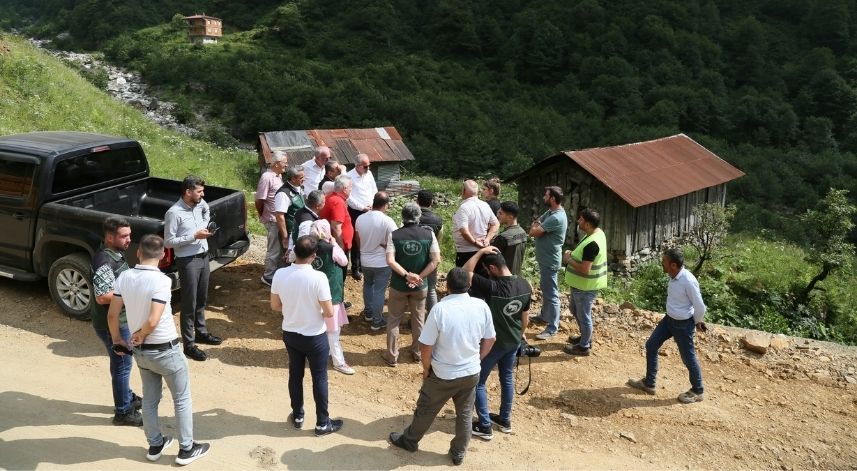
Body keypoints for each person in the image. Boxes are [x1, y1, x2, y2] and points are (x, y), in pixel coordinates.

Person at [108, 234, 210, 465]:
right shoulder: (162, 281)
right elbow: (153, 320)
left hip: (141, 353)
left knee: (150, 400)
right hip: (166, 350)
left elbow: (113, 315)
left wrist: (119, 340)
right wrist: (142, 334)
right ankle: (186, 449)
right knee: (181, 399)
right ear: (163, 255)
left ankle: (155, 444)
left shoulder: (124, 277)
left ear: (138, 253)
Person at [388, 268, 496, 466]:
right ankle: (458, 452)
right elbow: (490, 339)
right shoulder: (481, 306)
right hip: (471, 372)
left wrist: (426, 367)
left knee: (426, 409)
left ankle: (409, 441)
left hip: (443, 373)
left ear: (447, 286)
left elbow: (426, 345)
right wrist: (477, 359)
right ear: (469, 285)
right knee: (465, 414)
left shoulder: (440, 309)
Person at [271, 235, 344, 435]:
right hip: (315, 337)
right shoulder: (318, 278)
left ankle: (297, 415)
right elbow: (329, 312)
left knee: (295, 374)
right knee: (319, 377)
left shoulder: (280, 274)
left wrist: (294, 309)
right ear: (314, 256)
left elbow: (275, 306)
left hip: (291, 333)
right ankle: (322, 423)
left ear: (294, 251)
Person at [462, 247, 531, 440]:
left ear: (492, 268)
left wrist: (479, 252)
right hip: (513, 341)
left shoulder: (493, 287)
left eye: (486, 269)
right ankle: (504, 419)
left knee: (478, 382)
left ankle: (484, 426)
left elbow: (464, 273)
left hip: (493, 343)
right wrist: (520, 335)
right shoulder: (525, 285)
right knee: (506, 378)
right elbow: (525, 318)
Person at [627, 248, 707, 404]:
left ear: (673, 265)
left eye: (664, 261)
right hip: (668, 320)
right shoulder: (673, 276)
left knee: (688, 358)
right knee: (651, 345)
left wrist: (698, 321)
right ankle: (649, 383)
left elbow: (700, 306)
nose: (661, 263)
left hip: (683, 325)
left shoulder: (688, 280)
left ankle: (698, 391)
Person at [90, 216, 142, 426]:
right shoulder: (104, 260)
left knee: (120, 363)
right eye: (124, 236)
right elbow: (103, 296)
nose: (129, 239)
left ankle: (126, 396)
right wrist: (133, 292)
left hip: (119, 320)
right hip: (112, 324)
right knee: (122, 365)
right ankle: (123, 412)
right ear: (110, 238)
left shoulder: (115, 253)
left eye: (129, 235)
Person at [164, 175, 222, 362]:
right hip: (188, 261)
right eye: (199, 191)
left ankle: (201, 332)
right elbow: (168, 242)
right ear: (188, 192)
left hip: (204, 257)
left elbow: (206, 209)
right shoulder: (174, 213)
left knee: (202, 298)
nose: (203, 195)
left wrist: (205, 226)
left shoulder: (200, 204)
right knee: (189, 302)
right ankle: (189, 344)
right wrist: (194, 236)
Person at [383, 203, 441, 366]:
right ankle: (417, 353)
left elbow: (390, 260)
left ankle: (392, 356)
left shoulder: (394, 235)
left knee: (394, 320)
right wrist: (418, 277)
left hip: (398, 285)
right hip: (420, 286)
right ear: (419, 216)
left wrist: (407, 275)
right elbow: (436, 260)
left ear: (403, 217)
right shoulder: (429, 234)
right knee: (419, 319)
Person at [309, 219, 355, 375]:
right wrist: (335, 244)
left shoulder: (308, 246)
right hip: (331, 294)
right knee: (333, 331)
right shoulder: (332, 248)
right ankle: (338, 362)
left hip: (313, 293)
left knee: (317, 326)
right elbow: (344, 261)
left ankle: (320, 351)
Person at [561, 208, 608, 356]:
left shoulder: (592, 243)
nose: (578, 221)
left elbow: (585, 269)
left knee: (583, 316)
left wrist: (568, 259)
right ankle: (585, 337)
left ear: (587, 224)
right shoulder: (597, 233)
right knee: (575, 310)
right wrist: (573, 255)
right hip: (581, 285)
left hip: (585, 287)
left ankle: (584, 346)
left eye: (580, 219)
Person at [529, 186, 568, 341]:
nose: (543, 197)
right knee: (546, 289)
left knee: (551, 294)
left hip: (550, 261)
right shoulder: (551, 212)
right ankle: (544, 316)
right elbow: (537, 224)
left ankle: (552, 327)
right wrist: (537, 225)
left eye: (546, 195)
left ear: (552, 198)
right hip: (545, 259)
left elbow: (533, 232)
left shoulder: (556, 217)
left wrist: (536, 227)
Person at [354, 191, 397, 331]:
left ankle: (368, 313)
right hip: (382, 262)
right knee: (379, 291)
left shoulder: (360, 218)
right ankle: (377, 321)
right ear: (386, 205)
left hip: (365, 259)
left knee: (367, 285)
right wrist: (385, 246)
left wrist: (363, 250)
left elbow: (358, 239)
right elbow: (396, 240)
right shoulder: (387, 221)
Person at [452, 180, 499, 268]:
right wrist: (487, 239)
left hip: (466, 252)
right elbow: (495, 224)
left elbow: (465, 232)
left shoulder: (464, 208)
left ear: (464, 191)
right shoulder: (485, 205)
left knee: (464, 275)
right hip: (483, 249)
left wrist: (475, 242)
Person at [256, 150, 286, 285]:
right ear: (277, 163)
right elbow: (259, 200)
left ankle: (276, 274)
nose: (287, 165)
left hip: (278, 219)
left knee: (280, 248)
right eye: (285, 162)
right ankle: (268, 276)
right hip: (272, 219)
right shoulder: (267, 177)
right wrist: (263, 215)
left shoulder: (278, 176)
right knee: (274, 249)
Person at [347, 153, 378, 280]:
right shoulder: (348, 176)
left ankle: (364, 265)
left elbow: (374, 189)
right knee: (356, 239)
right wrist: (362, 207)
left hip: (370, 209)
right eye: (365, 166)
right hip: (356, 211)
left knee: (369, 237)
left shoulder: (368, 174)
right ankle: (355, 268)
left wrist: (374, 204)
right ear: (358, 166)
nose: (368, 168)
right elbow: (349, 197)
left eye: (369, 165)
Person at [273, 166, 305, 267]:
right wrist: (285, 237)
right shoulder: (283, 194)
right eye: (301, 178)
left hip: (299, 231)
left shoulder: (300, 188)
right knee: (289, 260)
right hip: (290, 233)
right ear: (293, 179)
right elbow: (279, 216)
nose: (304, 179)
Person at [417, 190, 443, 313]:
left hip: (415, 255)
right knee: (431, 288)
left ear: (417, 201)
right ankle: (433, 315)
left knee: (416, 287)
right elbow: (439, 238)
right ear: (431, 202)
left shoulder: (412, 217)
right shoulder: (438, 219)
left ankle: (416, 318)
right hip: (432, 256)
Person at [319, 174, 354, 266]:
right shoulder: (337, 202)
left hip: (332, 244)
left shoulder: (331, 197)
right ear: (344, 189)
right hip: (337, 246)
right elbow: (336, 227)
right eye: (350, 187)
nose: (351, 189)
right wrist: (340, 247)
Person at [490, 201, 528, 277]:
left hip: (503, 278)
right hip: (517, 277)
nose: (497, 215)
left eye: (501, 213)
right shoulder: (523, 232)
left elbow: (492, 260)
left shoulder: (503, 237)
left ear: (510, 217)